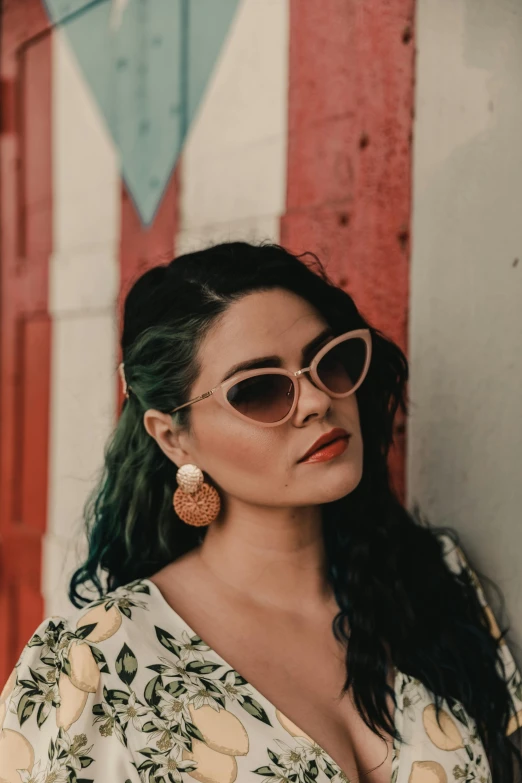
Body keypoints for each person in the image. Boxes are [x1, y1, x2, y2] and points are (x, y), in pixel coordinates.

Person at [0, 241, 521, 783]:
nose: (318, 401)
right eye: (258, 390)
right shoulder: (94, 668)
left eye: (328, 362)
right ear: (174, 439)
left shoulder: (433, 578)